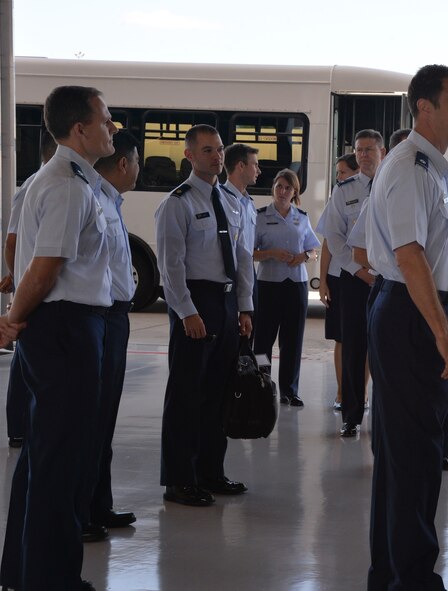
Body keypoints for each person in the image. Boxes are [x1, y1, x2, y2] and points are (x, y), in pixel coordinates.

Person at [0, 85, 116, 591]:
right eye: (106, 119)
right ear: (80, 129)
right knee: (60, 463)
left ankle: (27, 572)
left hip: (60, 327)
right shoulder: (69, 186)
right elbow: (45, 268)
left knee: (45, 456)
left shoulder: (64, 179)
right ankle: (50, 580)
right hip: (66, 328)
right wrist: (14, 318)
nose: (112, 127)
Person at [364, 64, 448, 590]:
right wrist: (442, 333)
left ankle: (392, 573)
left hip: (412, 308)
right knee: (414, 454)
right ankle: (413, 578)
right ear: (424, 107)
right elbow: (408, 256)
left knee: (407, 452)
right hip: (409, 312)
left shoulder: (430, 167)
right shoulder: (408, 168)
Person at [155, 123, 254, 507]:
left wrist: (245, 307)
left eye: (220, 149)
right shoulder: (177, 203)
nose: (217, 156)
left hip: (226, 303)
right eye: (208, 150)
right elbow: (170, 265)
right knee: (186, 394)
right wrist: (186, 312)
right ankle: (179, 479)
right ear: (190, 156)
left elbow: (243, 258)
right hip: (196, 302)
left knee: (218, 394)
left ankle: (210, 472)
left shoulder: (230, 201)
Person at [84, 130, 141, 536]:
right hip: (99, 318)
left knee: (104, 422)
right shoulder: (93, 198)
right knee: (91, 421)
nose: (139, 169)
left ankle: (99, 505)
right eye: (138, 161)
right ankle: (82, 511)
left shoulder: (110, 200)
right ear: (124, 164)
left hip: (116, 318)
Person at [318, 130, 385, 435]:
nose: (363, 155)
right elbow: (333, 236)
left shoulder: (393, 186)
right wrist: (360, 271)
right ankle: (351, 416)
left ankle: (387, 414)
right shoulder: (344, 190)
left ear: (381, 151)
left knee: (387, 347)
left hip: (390, 279)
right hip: (355, 280)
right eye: (359, 150)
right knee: (354, 347)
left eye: (369, 149)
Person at [2, 129, 56, 449]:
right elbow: (13, 241)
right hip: (31, 286)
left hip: (34, 284)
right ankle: (19, 426)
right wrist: (17, 276)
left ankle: (23, 425)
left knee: (28, 360)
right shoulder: (34, 185)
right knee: (24, 361)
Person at [252, 169, 320, 405]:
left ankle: (290, 390)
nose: (282, 192)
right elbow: (249, 253)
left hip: (296, 286)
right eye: (279, 186)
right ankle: (261, 384)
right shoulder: (260, 216)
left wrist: (304, 257)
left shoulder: (301, 217)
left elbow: (314, 251)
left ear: (295, 192)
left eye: (287, 188)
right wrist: (270, 253)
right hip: (268, 285)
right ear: (273, 188)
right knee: (262, 341)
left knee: (292, 341)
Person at [319, 154, 359, 410]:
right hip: (338, 276)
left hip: (365, 275)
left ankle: (360, 394)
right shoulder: (339, 197)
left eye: (342, 172)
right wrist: (322, 281)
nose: (338, 178)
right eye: (337, 173)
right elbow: (327, 243)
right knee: (341, 339)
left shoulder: (374, 194)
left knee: (364, 340)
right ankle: (342, 392)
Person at [222, 143, 261, 341]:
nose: (259, 170)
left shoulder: (248, 204)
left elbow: (248, 255)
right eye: (255, 164)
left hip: (248, 280)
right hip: (232, 282)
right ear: (240, 166)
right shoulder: (222, 201)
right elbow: (240, 255)